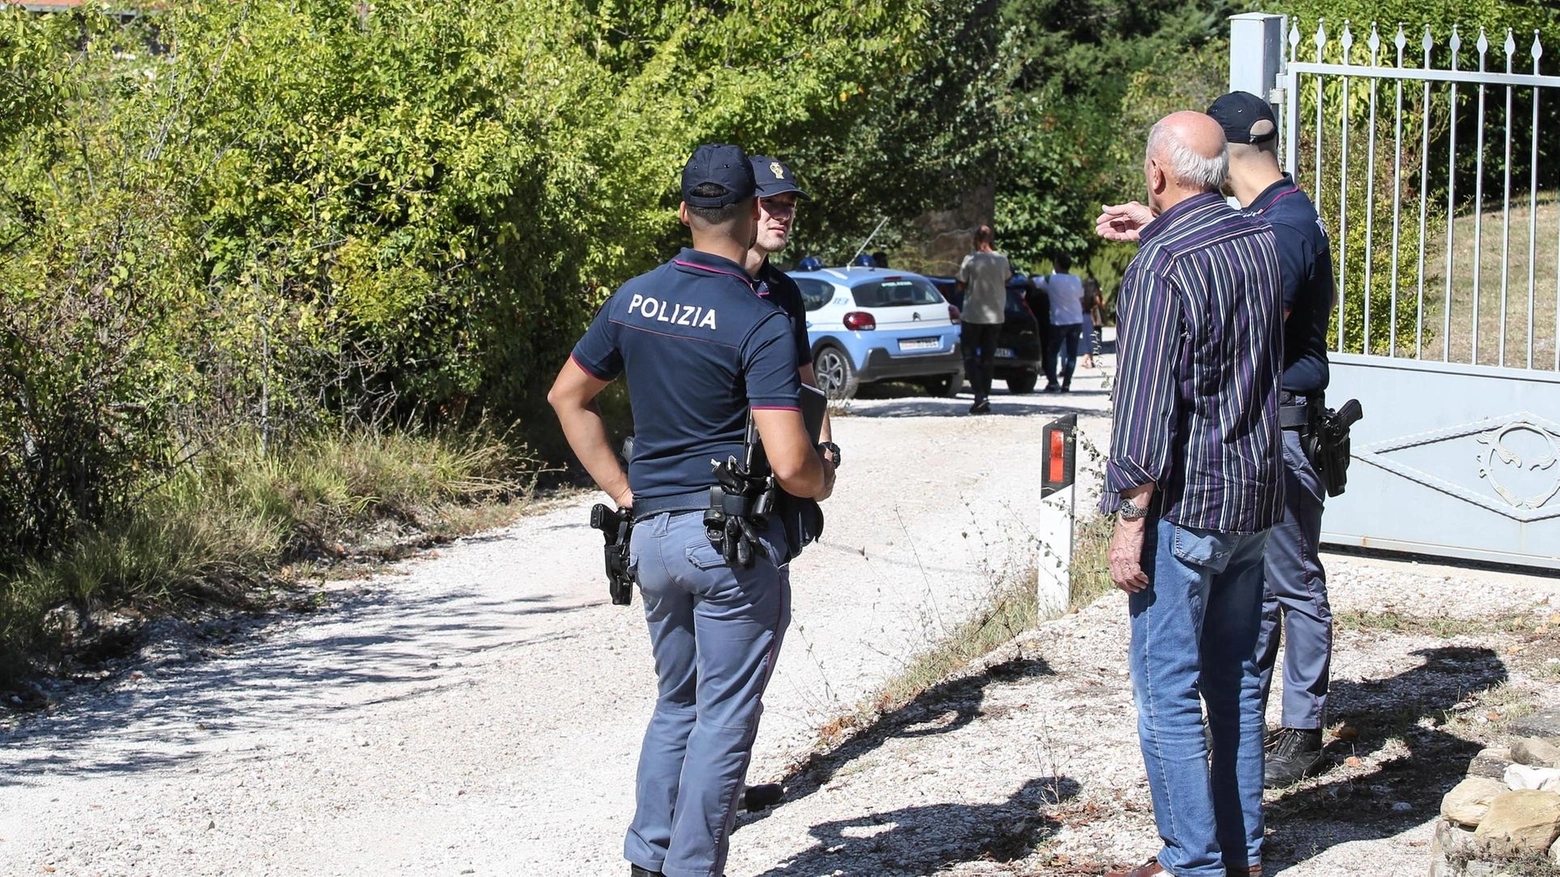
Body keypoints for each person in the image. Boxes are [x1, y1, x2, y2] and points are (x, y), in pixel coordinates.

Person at [548, 143, 836, 877]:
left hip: (649, 538)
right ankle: (691, 868)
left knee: (676, 702)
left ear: (684, 210)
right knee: (724, 719)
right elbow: (793, 458)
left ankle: (648, 859)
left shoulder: (634, 296)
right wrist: (822, 478)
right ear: (747, 214)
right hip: (728, 547)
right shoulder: (758, 317)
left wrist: (623, 491)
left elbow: (568, 398)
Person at [1094, 112, 1285, 877]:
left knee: (1166, 690)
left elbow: (1144, 411)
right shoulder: (1260, 241)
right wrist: (1159, 227)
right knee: (1236, 683)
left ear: (1155, 174)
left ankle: (1191, 860)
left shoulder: (1160, 267)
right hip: (1254, 500)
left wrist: (1129, 520)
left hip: (1186, 508)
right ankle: (1238, 853)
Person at [1206, 91, 1336, 788]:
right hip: (1266, 424)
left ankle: (1304, 728)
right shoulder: (1264, 215)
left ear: (1227, 153)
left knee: (1291, 581)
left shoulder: (1284, 224)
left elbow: (1254, 315)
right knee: (1254, 585)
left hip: (1282, 427)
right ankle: (1244, 716)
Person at [745, 156, 833, 447]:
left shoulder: (786, 291)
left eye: (790, 205)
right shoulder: (707, 284)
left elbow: (806, 382)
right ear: (744, 206)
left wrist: (826, 450)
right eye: (771, 203)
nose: (783, 215)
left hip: (778, 462)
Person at [954, 225, 1011, 414]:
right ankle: (984, 395)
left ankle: (979, 394)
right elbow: (1007, 280)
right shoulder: (1002, 260)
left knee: (970, 356)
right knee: (988, 358)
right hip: (995, 315)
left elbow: (960, 285)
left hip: (973, 314)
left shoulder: (970, 260)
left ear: (976, 240)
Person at [1039, 254, 1085, 392]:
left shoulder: (1050, 279)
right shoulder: (1076, 279)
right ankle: (1066, 384)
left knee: (1052, 352)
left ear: (1057, 264)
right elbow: (1081, 298)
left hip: (1059, 321)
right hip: (1076, 319)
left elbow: (1033, 283)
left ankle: (1053, 382)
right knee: (1072, 354)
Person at [1080, 277, 1104, 369]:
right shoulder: (1095, 293)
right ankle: (1085, 359)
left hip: (1085, 316)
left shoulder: (1083, 293)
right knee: (1094, 338)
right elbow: (1100, 303)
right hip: (1094, 317)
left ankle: (1091, 361)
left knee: (1087, 338)